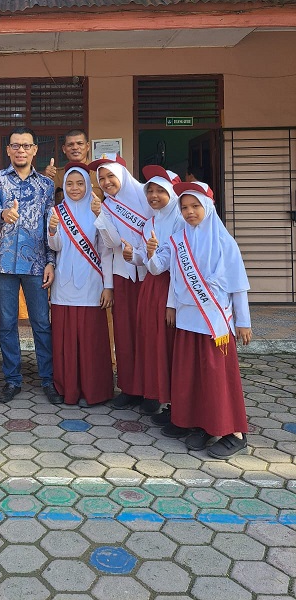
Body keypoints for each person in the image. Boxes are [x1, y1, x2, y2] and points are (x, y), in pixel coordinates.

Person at [147, 181, 252, 458]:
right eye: (184, 207)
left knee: (217, 377)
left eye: (195, 206)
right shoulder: (180, 239)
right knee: (191, 376)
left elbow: (238, 284)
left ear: (207, 207)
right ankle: (200, 423)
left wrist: (243, 321)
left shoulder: (224, 241)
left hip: (214, 322)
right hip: (187, 319)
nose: (189, 212)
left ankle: (234, 432)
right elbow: (165, 271)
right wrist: (150, 253)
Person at [0, 126, 62, 405]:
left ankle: (48, 379)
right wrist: (3, 213)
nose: (20, 150)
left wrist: (51, 261)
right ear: (8, 150)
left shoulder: (45, 185)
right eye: (15, 145)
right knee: (7, 324)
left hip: (36, 264)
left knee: (41, 323)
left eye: (26, 145)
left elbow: (48, 228)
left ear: (34, 150)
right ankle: (12, 380)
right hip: (2, 263)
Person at [48, 166, 114, 406]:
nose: (74, 188)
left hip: (92, 283)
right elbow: (55, 247)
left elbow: (107, 250)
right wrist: (53, 229)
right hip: (63, 285)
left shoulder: (98, 210)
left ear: (88, 186)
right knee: (65, 341)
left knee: (90, 341)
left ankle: (94, 390)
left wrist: (109, 286)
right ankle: (68, 389)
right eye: (69, 184)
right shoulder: (56, 211)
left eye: (80, 183)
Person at [121, 166, 183, 421]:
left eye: (160, 191)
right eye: (150, 191)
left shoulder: (181, 219)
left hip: (174, 287)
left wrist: (149, 255)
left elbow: (170, 262)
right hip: (151, 288)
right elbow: (149, 260)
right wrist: (133, 255)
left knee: (170, 345)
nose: (154, 196)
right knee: (150, 342)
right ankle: (153, 393)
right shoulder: (150, 222)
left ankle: (174, 400)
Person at [91, 153, 150, 409]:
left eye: (110, 176)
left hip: (150, 276)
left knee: (149, 335)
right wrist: (108, 285)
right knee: (124, 335)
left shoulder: (147, 198)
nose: (106, 182)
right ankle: (129, 388)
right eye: (101, 178)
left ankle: (153, 390)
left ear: (123, 176)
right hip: (123, 276)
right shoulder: (108, 205)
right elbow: (110, 246)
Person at [43, 129, 104, 200]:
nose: (75, 148)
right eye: (70, 145)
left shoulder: (100, 173)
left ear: (87, 147)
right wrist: (44, 179)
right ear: (64, 149)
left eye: (80, 143)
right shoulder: (55, 175)